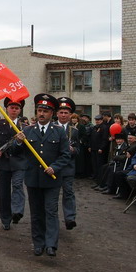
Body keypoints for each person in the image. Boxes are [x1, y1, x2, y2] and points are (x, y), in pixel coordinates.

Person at [15, 94, 70, 257]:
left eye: (45, 111)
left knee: (51, 211)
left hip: (52, 180)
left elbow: (65, 155)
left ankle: (51, 244)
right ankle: (38, 243)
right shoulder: (27, 131)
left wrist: (55, 167)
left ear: (51, 113)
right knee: (37, 212)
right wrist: (18, 142)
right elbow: (17, 152)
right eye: (39, 110)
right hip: (33, 179)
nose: (42, 114)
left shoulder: (59, 132)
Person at [0, 98, 26, 230]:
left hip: (19, 162)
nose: (14, 110)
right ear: (6, 109)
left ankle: (17, 212)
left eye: (17, 108)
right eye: (12, 107)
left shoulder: (24, 126)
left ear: (20, 110)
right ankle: (5, 219)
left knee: (18, 185)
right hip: (3, 163)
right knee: (4, 192)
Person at [55, 97, 80, 230]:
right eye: (61, 112)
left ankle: (70, 218)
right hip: (54, 168)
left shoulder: (74, 131)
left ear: (70, 115)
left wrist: (73, 150)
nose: (63, 115)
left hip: (68, 168)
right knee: (52, 194)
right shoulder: (51, 128)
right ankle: (51, 218)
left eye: (66, 113)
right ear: (57, 114)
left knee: (68, 192)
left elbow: (78, 149)